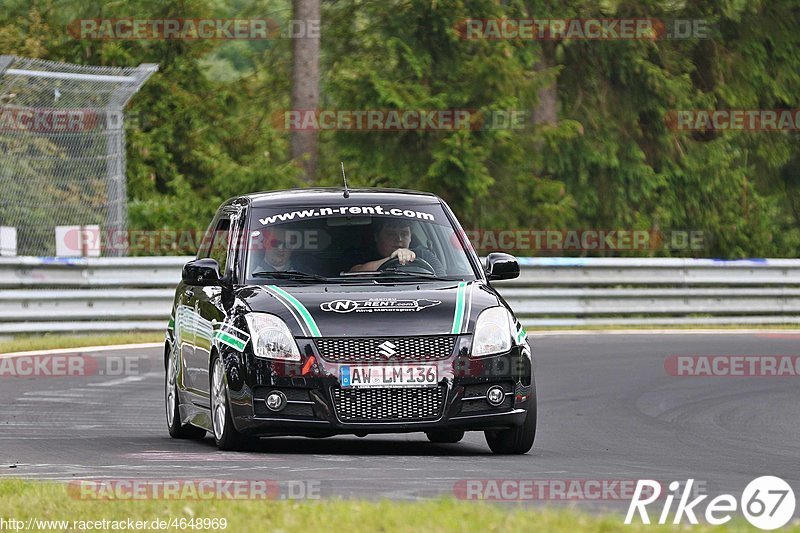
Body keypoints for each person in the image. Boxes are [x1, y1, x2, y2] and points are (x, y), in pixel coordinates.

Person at [349, 218, 445, 275]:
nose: (399, 239)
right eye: (391, 234)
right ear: (377, 236)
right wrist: (392, 258)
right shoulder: (361, 254)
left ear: (411, 237)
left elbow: (442, 279)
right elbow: (354, 274)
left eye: (404, 234)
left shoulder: (423, 255)